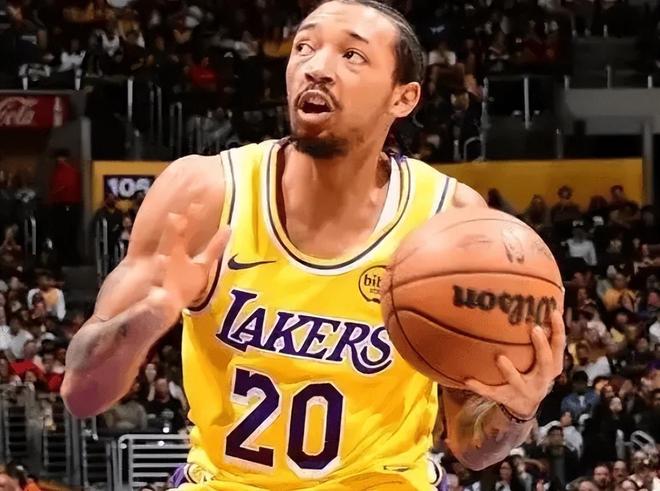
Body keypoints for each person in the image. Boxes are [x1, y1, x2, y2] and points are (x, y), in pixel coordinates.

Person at [61, 1, 566, 489]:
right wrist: (151, 315)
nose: (316, 67)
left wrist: (517, 410)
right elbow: (81, 395)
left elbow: (471, 447)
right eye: (304, 47)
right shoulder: (204, 193)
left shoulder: (448, 220)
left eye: (352, 55)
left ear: (403, 98)